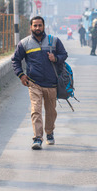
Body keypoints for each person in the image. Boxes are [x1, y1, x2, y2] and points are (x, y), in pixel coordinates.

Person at [11, 16, 68, 150]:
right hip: (34, 83)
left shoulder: (54, 41)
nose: (37, 28)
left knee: (51, 112)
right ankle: (37, 138)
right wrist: (21, 75)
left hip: (52, 84)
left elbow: (64, 54)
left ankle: (49, 132)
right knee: (35, 111)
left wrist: (56, 58)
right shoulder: (24, 43)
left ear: (44, 26)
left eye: (40, 25)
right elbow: (15, 60)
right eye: (35, 25)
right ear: (31, 27)